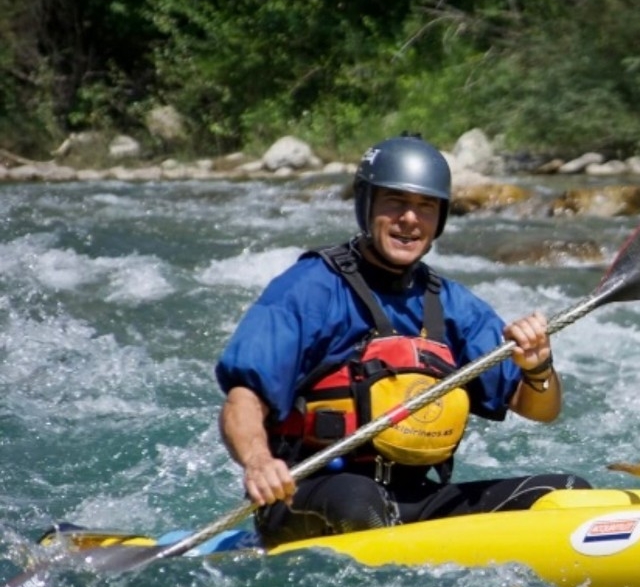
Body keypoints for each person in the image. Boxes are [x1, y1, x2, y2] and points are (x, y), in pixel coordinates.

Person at [215, 132, 590, 545]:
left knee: (565, 491)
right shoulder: (308, 289)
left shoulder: (452, 304)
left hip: (413, 498)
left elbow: (539, 409)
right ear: (367, 204)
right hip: (308, 494)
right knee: (361, 503)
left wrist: (537, 366)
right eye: (396, 202)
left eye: (425, 206)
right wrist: (258, 463)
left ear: (440, 219)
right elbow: (243, 398)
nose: (410, 218)